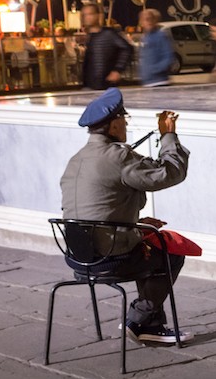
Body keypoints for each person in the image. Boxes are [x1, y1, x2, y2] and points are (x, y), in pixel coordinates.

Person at [60, 87, 191, 345]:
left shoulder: (76, 159)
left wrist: (134, 224)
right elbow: (170, 172)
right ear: (113, 125)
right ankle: (137, 320)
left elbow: (94, 209)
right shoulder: (118, 157)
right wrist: (168, 136)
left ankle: (150, 325)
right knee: (170, 253)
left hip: (77, 257)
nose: (126, 124)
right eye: (124, 119)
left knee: (148, 244)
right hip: (108, 258)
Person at [81, 1, 133, 90]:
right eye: (85, 15)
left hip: (105, 84)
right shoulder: (90, 37)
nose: (87, 18)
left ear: (98, 16)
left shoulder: (108, 34)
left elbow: (127, 48)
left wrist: (117, 70)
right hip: (91, 85)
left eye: (90, 14)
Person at [137, 7, 175, 87]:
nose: (149, 21)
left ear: (155, 21)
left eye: (151, 19)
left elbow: (168, 57)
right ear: (141, 22)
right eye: (146, 19)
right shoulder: (144, 38)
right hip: (147, 83)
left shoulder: (161, 36)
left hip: (160, 82)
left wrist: (155, 70)